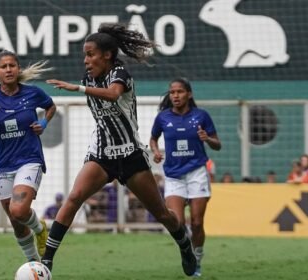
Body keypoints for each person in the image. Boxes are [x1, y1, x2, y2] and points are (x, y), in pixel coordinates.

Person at [43, 23, 197, 276]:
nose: (86, 60)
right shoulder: (89, 78)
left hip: (131, 155)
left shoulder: (120, 73)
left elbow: (114, 94)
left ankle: (184, 243)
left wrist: (77, 88)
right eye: (84, 55)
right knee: (74, 197)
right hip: (102, 154)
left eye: (90, 54)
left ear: (107, 54)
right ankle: (46, 261)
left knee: (161, 213)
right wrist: (82, 85)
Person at [0, 50, 56, 261]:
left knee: (18, 210)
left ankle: (40, 228)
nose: (8, 70)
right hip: (3, 165)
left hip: (29, 160)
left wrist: (44, 122)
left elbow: (51, 106)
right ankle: (34, 264)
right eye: (3, 67)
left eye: (12, 66)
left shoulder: (32, 92)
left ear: (18, 69)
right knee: (16, 223)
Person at [149, 77, 222, 277]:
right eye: (172, 92)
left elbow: (218, 144)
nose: (175, 96)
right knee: (178, 223)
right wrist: (155, 151)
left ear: (189, 94)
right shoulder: (163, 118)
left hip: (197, 172)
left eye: (180, 92)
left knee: (197, 223)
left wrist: (208, 139)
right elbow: (153, 138)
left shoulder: (201, 116)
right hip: (173, 176)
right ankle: (186, 252)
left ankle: (197, 257)